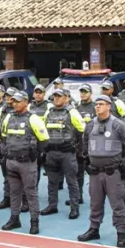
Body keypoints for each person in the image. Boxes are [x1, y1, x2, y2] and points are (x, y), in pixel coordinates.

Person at [79, 95, 125, 247]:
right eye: (96, 104)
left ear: (109, 106)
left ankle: (121, 233)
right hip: (95, 172)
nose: (98, 107)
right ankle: (94, 228)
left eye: (101, 104)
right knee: (95, 203)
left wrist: (120, 162)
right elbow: (85, 145)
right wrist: (88, 161)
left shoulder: (118, 125)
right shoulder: (90, 125)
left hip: (112, 172)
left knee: (117, 204)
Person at [1, 91, 49, 234]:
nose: (14, 103)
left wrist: (34, 154)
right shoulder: (8, 117)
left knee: (31, 193)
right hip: (11, 161)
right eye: (13, 101)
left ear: (26, 102)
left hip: (27, 163)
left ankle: (34, 221)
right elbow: (4, 136)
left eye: (18, 101)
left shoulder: (33, 119)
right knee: (14, 192)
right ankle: (14, 218)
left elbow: (44, 140)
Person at [42, 88, 86, 219]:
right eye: (55, 96)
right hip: (51, 152)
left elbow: (83, 131)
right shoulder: (48, 112)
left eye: (60, 96)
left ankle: (74, 208)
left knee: (72, 181)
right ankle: (52, 205)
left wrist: (79, 149)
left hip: (67, 153)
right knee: (52, 181)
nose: (56, 98)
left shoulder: (72, 112)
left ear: (67, 98)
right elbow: (43, 130)